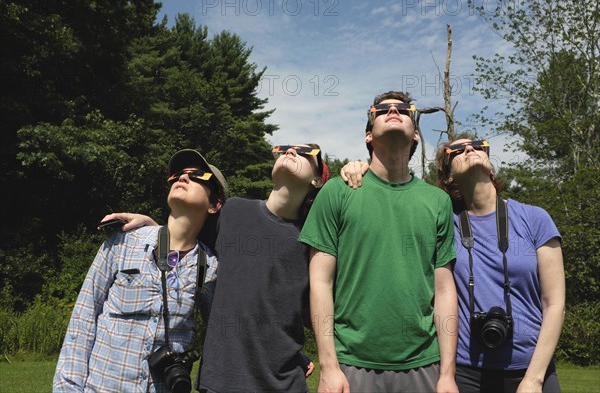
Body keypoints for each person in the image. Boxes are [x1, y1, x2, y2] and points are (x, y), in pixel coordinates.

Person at [101, 144, 327, 392]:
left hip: (284, 381)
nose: (290, 152)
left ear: (318, 180)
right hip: (222, 380)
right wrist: (153, 227)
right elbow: (184, 233)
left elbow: (310, 308)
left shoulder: (315, 236)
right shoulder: (234, 211)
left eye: (306, 152)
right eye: (282, 150)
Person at [299, 91, 459, 392]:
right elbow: (320, 283)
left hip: (424, 364)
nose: (394, 111)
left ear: (415, 137)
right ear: (368, 135)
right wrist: (329, 367)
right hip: (350, 364)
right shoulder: (336, 192)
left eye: (404, 109)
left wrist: (447, 374)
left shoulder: (438, 201)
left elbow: (444, 289)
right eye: (382, 109)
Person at [53, 149, 228, 393]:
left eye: (197, 175)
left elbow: (229, 329)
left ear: (214, 204)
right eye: (177, 175)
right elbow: (83, 317)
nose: (183, 178)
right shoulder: (123, 243)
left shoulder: (209, 268)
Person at [435, 134, 564, 392]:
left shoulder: (534, 219)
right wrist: (359, 168)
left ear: (491, 165)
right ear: (448, 177)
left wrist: (534, 378)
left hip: (532, 368)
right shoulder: (444, 224)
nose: (469, 148)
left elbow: (555, 303)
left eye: (477, 145)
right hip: (467, 370)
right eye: (457, 150)